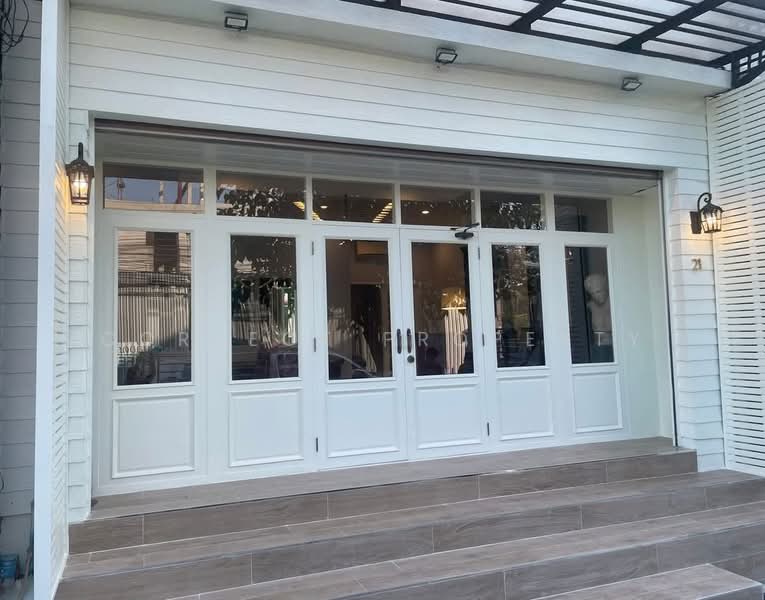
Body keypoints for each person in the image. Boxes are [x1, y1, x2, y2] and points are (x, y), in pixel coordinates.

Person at [584, 273, 613, 362]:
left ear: (605, 288)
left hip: (615, 345)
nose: (596, 296)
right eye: (592, 293)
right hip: (599, 346)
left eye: (598, 291)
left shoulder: (613, 302)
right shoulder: (590, 306)